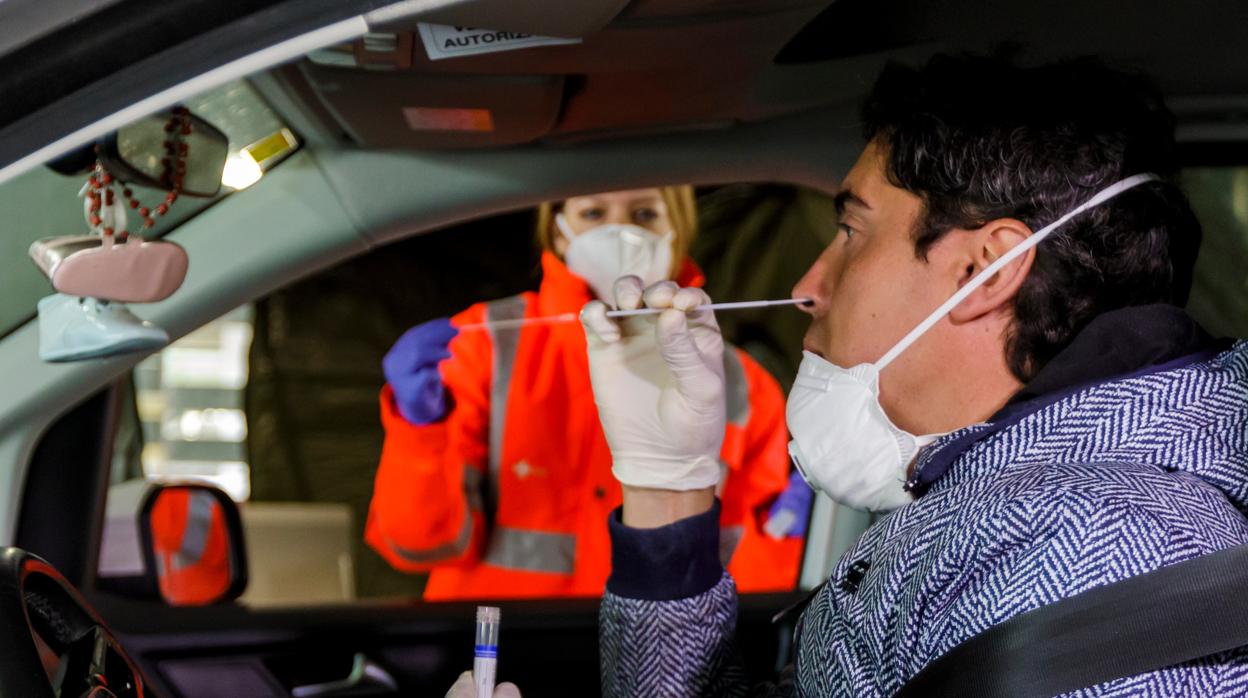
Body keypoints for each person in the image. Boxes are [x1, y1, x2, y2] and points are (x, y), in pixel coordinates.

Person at [586, 55, 1248, 696]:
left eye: (850, 231)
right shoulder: (1017, 508)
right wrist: (665, 488)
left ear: (983, 269)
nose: (806, 287)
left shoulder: (1098, 545)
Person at [366, 186, 806, 601]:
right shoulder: (485, 345)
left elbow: (746, 594)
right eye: (593, 213)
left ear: (679, 230)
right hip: (497, 659)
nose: (618, 231)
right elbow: (420, 545)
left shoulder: (739, 384)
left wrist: (784, 540)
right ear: (558, 229)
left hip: (654, 661)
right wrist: (421, 434)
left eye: (645, 213)